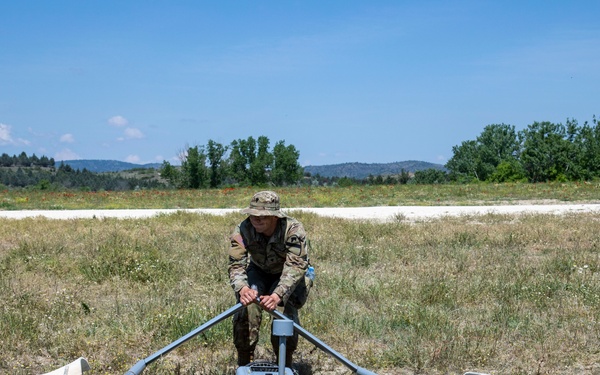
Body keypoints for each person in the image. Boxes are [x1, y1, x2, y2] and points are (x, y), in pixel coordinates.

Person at [228, 190, 312, 367]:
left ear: (275, 216)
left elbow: (296, 266)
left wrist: (277, 295)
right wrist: (243, 288)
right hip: (258, 271)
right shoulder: (243, 230)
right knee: (246, 306)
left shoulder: (293, 230)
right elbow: (236, 264)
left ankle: (285, 363)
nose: (256, 219)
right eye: (253, 215)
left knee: (285, 311)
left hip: (287, 274)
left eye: (262, 216)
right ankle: (244, 362)